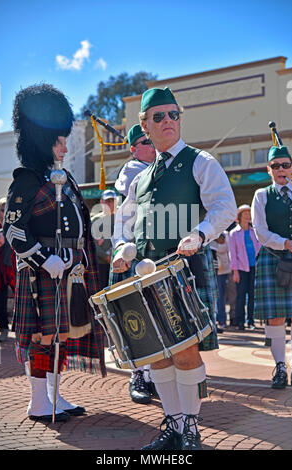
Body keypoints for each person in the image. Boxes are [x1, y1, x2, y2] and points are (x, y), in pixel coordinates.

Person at [112, 87, 237, 450]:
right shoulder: (140, 179)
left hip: (183, 270)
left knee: (184, 352)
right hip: (145, 277)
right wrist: (125, 247)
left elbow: (224, 207)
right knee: (157, 354)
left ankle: (191, 429)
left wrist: (200, 233)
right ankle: (175, 424)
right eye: (158, 116)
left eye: (173, 114)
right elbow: (125, 224)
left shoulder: (201, 161)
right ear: (144, 127)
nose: (168, 120)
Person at [3, 84, 106, 422]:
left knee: (61, 334)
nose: (65, 145)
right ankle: (37, 402)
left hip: (70, 269)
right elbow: (14, 230)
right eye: (58, 139)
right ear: (39, 139)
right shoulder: (27, 179)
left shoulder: (64, 176)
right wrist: (43, 259)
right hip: (41, 272)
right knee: (42, 336)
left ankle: (54, 396)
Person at [113, 124, 157, 405]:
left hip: (159, 254)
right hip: (135, 255)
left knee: (159, 317)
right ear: (133, 149)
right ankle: (139, 375)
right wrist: (121, 249)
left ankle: (155, 376)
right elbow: (122, 222)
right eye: (145, 141)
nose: (151, 145)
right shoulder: (131, 173)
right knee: (138, 319)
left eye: (152, 140)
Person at [252, 143, 292, 389]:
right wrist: (286, 243)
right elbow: (260, 232)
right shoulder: (261, 195)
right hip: (273, 258)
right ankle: (280, 367)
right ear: (269, 170)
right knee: (276, 318)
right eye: (275, 165)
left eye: (285, 165)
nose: (281, 169)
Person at [229, 205, 261, 330]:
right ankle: (240, 321)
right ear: (240, 216)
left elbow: (259, 247)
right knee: (241, 295)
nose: (248, 215)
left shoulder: (255, 232)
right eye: (245, 213)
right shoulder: (233, 233)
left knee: (253, 295)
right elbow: (232, 254)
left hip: (255, 267)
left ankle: (251, 321)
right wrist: (235, 271)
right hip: (241, 269)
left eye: (249, 213)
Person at [0, 198, 16, 342]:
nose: (5, 212)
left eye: (7, 208)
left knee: (23, 300)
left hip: (15, 269)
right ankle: (3, 328)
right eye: (2, 209)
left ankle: (24, 330)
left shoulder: (17, 224)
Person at [91, 189, 118, 291]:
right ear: (101, 202)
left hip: (119, 261)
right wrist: (106, 256)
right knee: (102, 291)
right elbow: (93, 243)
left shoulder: (122, 217)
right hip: (101, 263)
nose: (110, 204)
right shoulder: (95, 220)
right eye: (107, 201)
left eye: (112, 201)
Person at [210, 232, 231, 329]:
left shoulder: (223, 232)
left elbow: (224, 247)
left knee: (219, 296)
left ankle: (221, 320)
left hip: (219, 269)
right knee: (214, 297)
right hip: (211, 268)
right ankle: (214, 322)